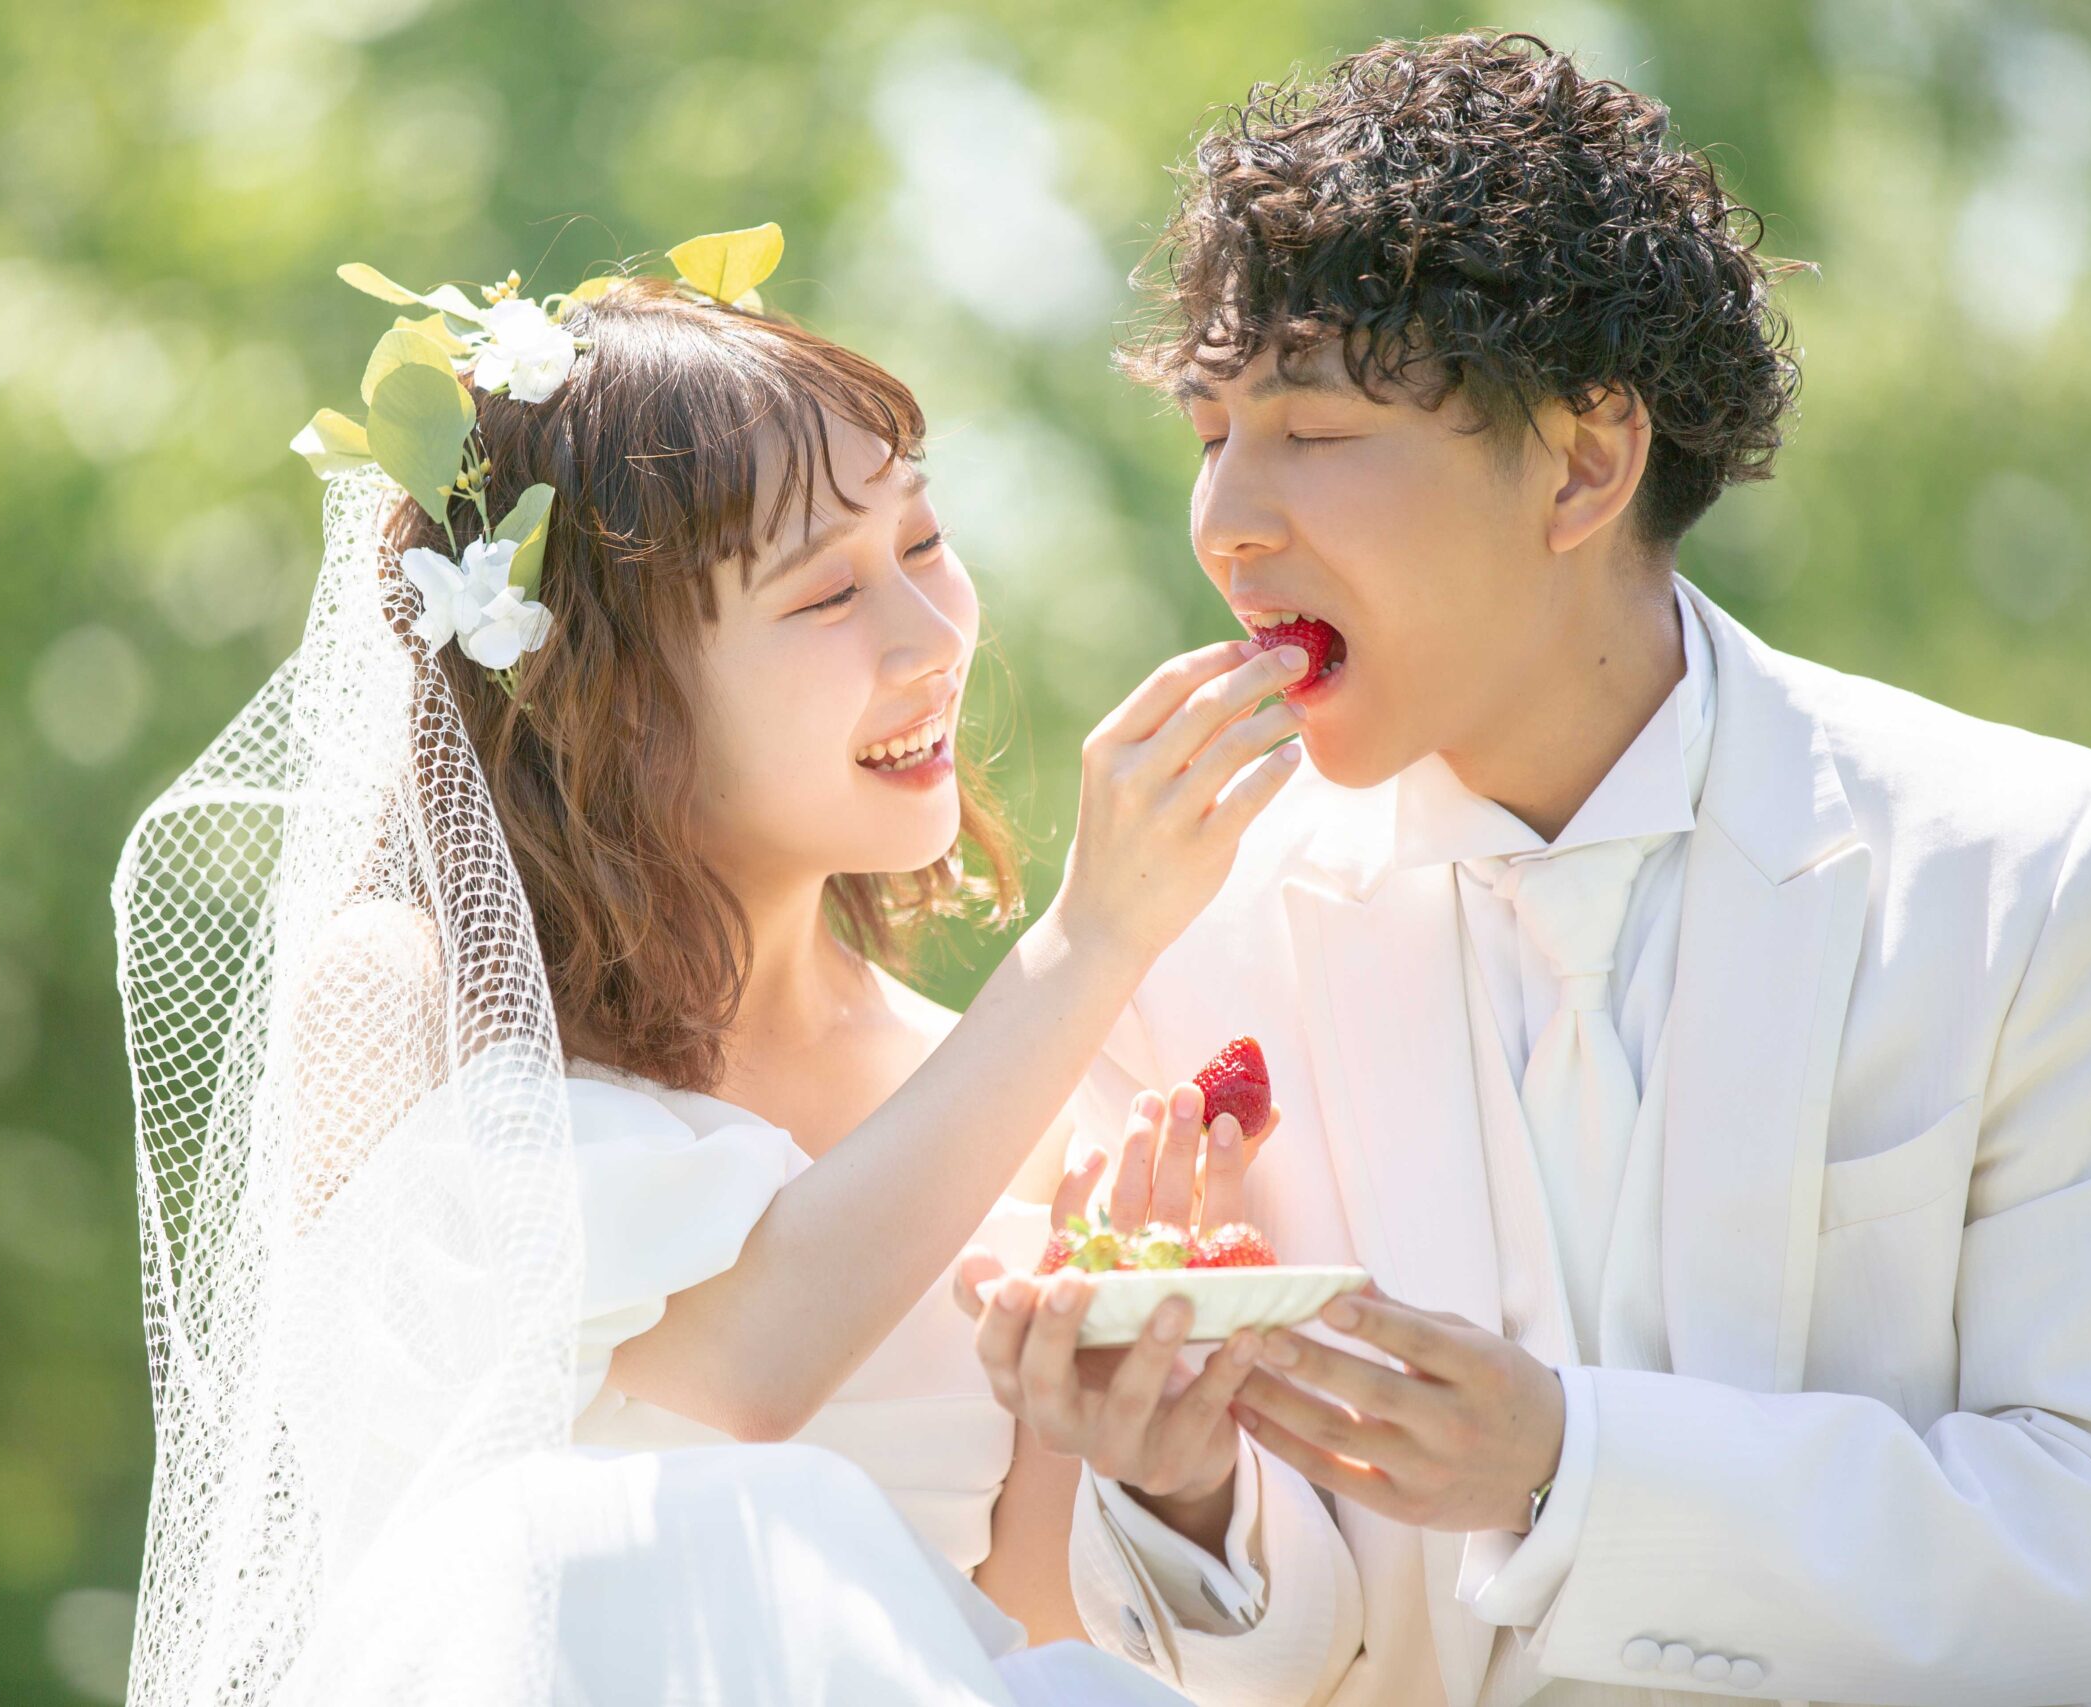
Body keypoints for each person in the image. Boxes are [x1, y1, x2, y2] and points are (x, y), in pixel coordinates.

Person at [964, 34, 2091, 1706]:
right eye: (1213, 432)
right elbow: (1288, 1653)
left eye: (1313, 429)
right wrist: (1185, 1487)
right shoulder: (1192, 924)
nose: (1226, 521)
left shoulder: (2043, 868)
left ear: (1583, 462)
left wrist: (1570, 1470)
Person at [115, 230, 1295, 1706]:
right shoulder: (411, 1001)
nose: (932, 639)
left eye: (924, 544)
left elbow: (1021, 1619)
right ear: (607, 698)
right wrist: (1092, 939)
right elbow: (721, 1393)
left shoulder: (1006, 1091)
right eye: (824, 597)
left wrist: (1156, 1466)